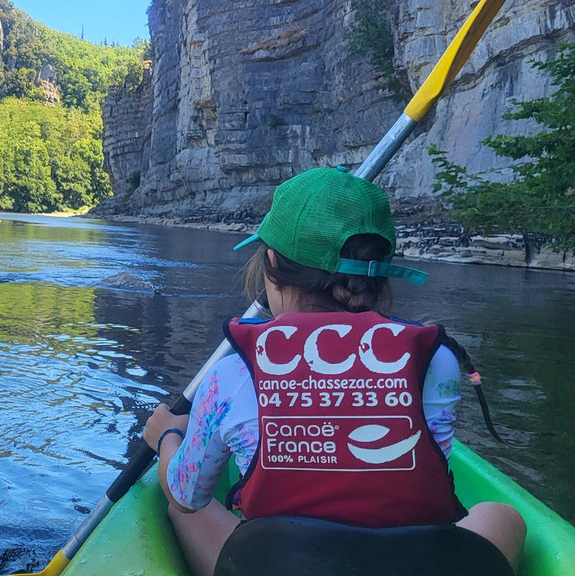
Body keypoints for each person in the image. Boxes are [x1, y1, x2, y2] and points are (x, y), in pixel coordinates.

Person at [141, 167, 526, 576]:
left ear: (271, 262)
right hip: (415, 565)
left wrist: (166, 434)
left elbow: (188, 495)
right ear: (380, 274)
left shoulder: (232, 375)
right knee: (502, 517)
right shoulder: (438, 362)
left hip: (278, 566)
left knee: (176, 506)